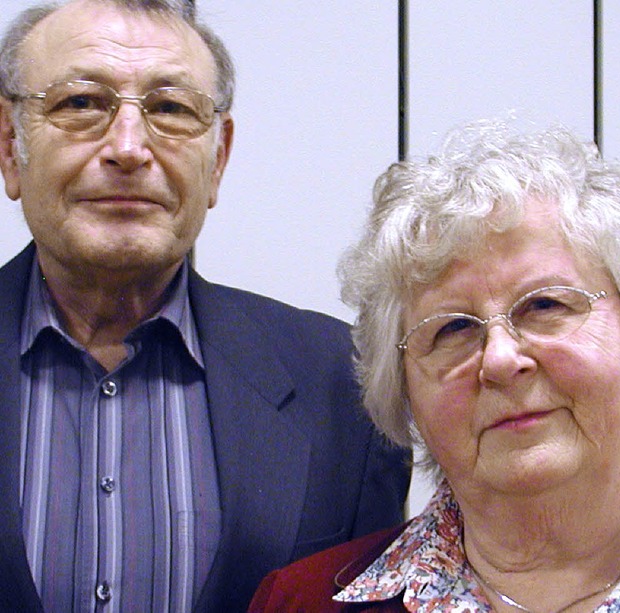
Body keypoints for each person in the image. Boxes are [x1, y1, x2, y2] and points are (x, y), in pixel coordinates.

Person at [0, 0, 410, 611]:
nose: (129, 147)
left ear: (217, 159)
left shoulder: (344, 383)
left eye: (170, 109)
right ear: (11, 147)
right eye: (81, 103)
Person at [249, 120, 620, 612]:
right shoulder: (300, 603)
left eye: (544, 306)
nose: (499, 359)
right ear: (403, 389)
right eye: (453, 329)